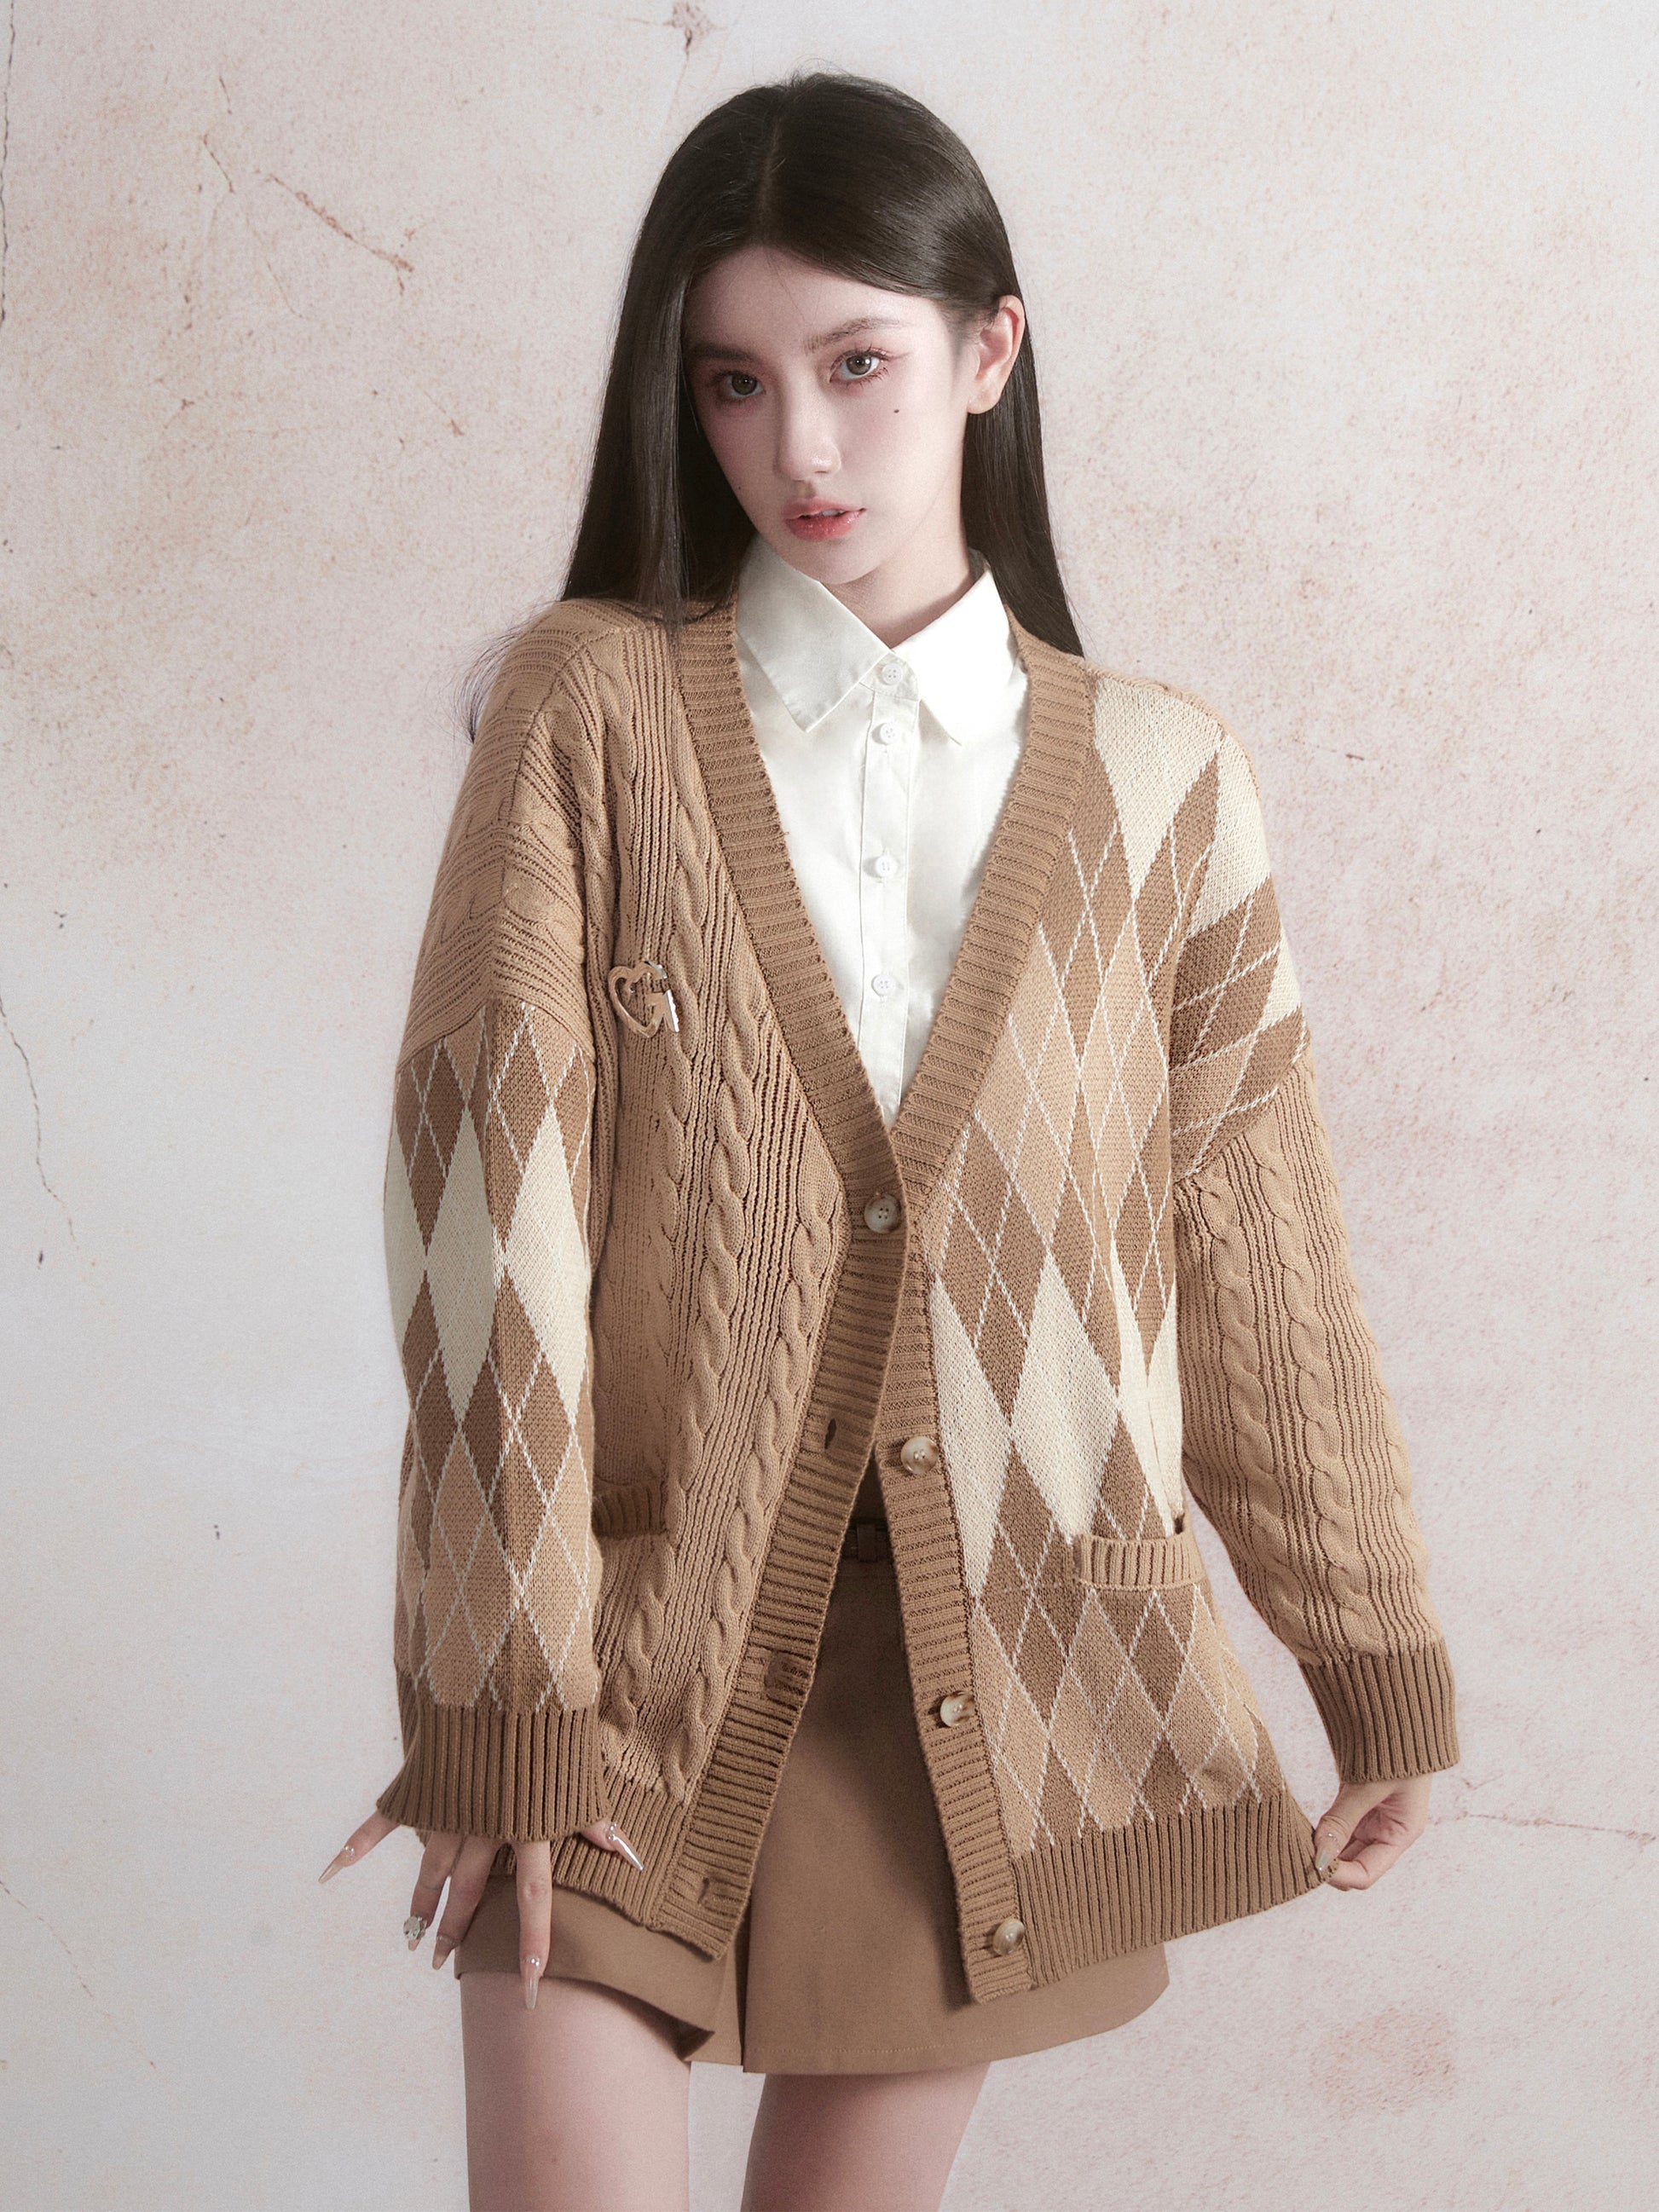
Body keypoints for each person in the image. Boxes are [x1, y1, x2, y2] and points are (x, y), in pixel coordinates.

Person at [319, 67, 1461, 2212]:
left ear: (988, 351)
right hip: (621, 1653)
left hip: (998, 1684)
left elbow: (1256, 1246)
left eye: (857, 365)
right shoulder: (590, 713)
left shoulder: (1162, 780)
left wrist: (1374, 1655)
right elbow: (484, 1220)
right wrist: (496, 1694)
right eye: (734, 383)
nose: (802, 451)